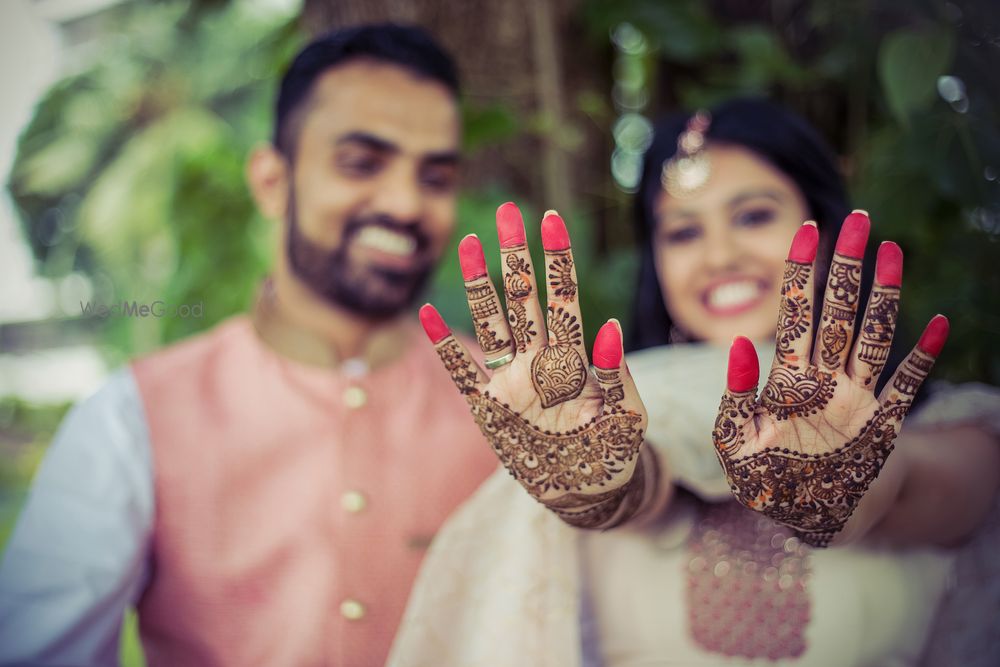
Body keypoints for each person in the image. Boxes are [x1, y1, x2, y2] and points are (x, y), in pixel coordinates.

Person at [388, 98, 1000, 666]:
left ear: (826, 231)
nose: (717, 257)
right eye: (683, 231)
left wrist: (835, 481)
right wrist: (594, 484)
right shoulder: (624, 410)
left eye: (754, 215)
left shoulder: (955, 426)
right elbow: (647, 478)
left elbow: (925, 488)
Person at [0, 24, 499, 666]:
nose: (405, 203)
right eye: (361, 164)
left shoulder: (512, 407)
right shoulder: (136, 420)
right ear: (271, 182)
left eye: (435, 176)